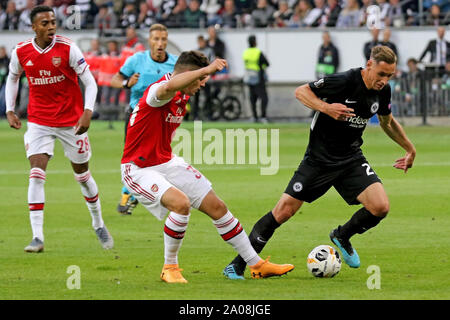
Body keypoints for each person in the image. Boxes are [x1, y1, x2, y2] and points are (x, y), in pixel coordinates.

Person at [223, 45, 416, 279]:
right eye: (381, 74)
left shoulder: (382, 91)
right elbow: (301, 92)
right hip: (319, 160)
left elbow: (387, 122)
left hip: (351, 159)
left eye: (389, 76)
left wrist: (409, 148)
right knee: (283, 211)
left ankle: (342, 236)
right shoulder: (344, 80)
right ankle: (238, 264)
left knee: (380, 207)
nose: (384, 80)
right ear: (369, 65)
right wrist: (326, 108)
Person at [120, 51, 294, 283]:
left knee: (217, 206)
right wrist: (206, 70)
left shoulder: (183, 95)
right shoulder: (158, 91)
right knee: (181, 204)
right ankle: (169, 268)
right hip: (137, 168)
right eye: (200, 79)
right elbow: (167, 88)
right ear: (189, 74)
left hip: (166, 161)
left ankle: (256, 265)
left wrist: (201, 73)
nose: (203, 84)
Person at [5, 5, 113, 253]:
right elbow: (12, 78)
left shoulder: (68, 48)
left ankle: (98, 223)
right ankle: (37, 237)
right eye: (45, 23)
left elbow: (90, 81)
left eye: (53, 22)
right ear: (34, 27)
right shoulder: (21, 51)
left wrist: (87, 111)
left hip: (71, 122)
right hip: (39, 121)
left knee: (83, 177)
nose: (51, 26)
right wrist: (10, 109)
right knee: (36, 172)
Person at [110, 23, 178, 215]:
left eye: (163, 39)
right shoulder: (137, 60)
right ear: (149, 41)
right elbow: (115, 79)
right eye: (156, 39)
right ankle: (127, 196)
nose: (160, 43)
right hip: (136, 116)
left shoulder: (174, 63)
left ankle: (160, 193)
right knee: (133, 159)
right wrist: (126, 83)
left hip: (163, 119)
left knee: (161, 156)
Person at [243, 35, 270, 123]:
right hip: (259, 77)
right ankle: (263, 117)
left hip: (249, 77)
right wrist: (262, 67)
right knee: (264, 98)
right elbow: (266, 63)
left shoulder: (245, 52)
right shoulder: (258, 52)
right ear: (255, 42)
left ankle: (254, 117)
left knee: (252, 98)